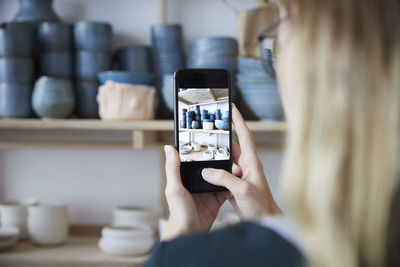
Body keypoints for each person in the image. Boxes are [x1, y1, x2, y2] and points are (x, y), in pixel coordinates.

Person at [143, 0, 400, 266]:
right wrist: (267, 216)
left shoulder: (192, 258)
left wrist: (179, 240)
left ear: (322, 61)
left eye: (284, 25)